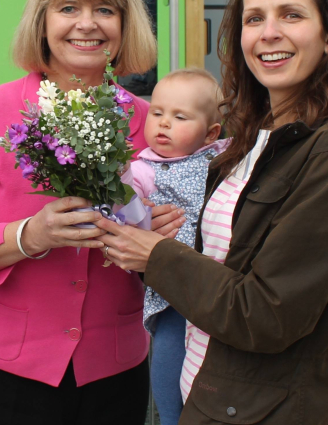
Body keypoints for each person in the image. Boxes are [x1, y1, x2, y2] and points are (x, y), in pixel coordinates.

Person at [94, 0, 328, 423]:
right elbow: (227, 259)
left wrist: (155, 255)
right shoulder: (253, 139)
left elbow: (267, 314)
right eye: (254, 19)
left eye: (291, 15)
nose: (269, 32)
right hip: (216, 394)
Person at [0, 0, 185, 425]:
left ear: (125, 25)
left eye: (104, 10)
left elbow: (178, 243)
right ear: (41, 22)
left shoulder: (152, 124)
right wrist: (30, 236)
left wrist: (163, 237)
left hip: (111, 369)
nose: (86, 24)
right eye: (68, 8)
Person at [121, 68, 228, 425]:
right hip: (173, 289)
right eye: (156, 112)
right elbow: (123, 206)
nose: (164, 124)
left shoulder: (224, 159)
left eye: (179, 117)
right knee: (169, 358)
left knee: (218, 374)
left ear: (210, 132)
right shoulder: (143, 170)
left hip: (223, 284)